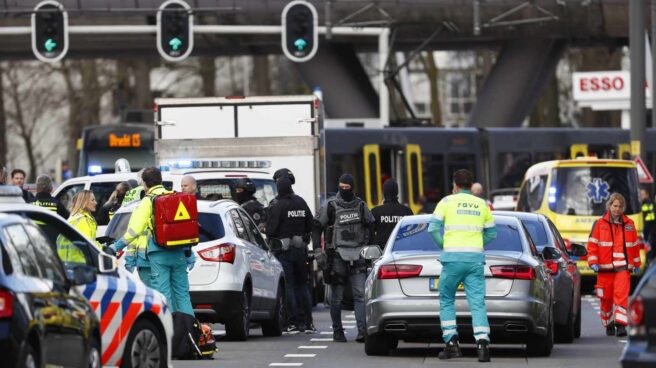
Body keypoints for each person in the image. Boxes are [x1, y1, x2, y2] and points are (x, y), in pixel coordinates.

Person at [428, 169, 496, 362]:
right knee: (477, 303)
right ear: (470, 184)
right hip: (475, 260)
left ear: (455, 185)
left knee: (447, 299)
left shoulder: (447, 202)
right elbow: (492, 233)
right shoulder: (482, 204)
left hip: (452, 260)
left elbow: (432, 228)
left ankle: (451, 343)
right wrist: (476, 243)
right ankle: (482, 345)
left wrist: (445, 246)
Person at [120, 167, 195, 315]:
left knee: (164, 296)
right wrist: (188, 253)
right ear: (160, 180)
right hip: (179, 254)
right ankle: (191, 333)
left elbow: (135, 229)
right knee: (183, 295)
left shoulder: (148, 201)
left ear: (144, 184)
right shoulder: (175, 197)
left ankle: (172, 333)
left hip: (157, 255)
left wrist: (117, 245)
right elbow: (185, 228)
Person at [315, 174, 374, 343]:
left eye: (347, 187)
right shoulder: (331, 205)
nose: (344, 190)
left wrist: (369, 249)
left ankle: (362, 331)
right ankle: (337, 331)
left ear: (352, 187)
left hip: (358, 256)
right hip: (337, 257)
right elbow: (316, 226)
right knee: (338, 297)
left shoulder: (361, 206)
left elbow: (371, 226)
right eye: (342, 187)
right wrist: (319, 250)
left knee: (359, 295)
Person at [587, 193, 641, 337]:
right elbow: (592, 246)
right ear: (609, 206)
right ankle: (608, 322)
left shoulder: (629, 225)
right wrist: (593, 262)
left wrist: (636, 263)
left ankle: (621, 325)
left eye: (620, 206)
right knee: (606, 301)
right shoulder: (599, 224)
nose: (617, 209)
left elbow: (634, 246)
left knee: (621, 297)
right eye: (615, 206)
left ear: (623, 208)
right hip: (604, 270)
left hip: (622, 269)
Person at [266, 176, 315, 334]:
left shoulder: (278, 205)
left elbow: (271, 230)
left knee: (289, 286)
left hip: (284, 251)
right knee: (302, 285)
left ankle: (293, 323)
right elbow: (310, 224)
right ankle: (308, 323)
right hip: (300, 250)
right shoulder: (301, 202)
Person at [58, 190, 102, 263]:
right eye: (92, 200)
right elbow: (90, 246)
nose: (96, 203)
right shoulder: (82, 220)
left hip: (71, 262)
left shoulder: (77, 217)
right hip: (79, 264)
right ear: (84, 202)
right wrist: (105, 248)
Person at [370, 179, 413, 249]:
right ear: (397, 192)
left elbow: (370, 234)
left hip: (382, 252)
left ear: (384, 193)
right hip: (403, 251)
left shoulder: (376, 211)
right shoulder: (407, 211)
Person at [640, 189, 655, 254]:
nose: (641, 196)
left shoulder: (650, 204)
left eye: (643, 194)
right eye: (640, 195)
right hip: (645, 230)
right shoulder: (640, 204)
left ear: (647, 195)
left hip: (650, 231)